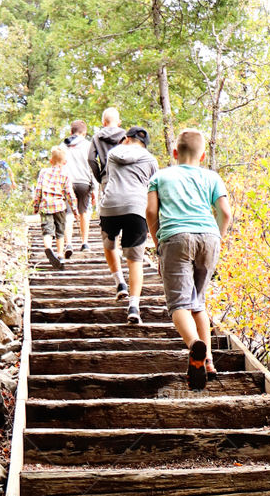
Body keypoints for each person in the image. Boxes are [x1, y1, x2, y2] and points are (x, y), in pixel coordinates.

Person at [145, 126, 232, 390]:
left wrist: (158, 242)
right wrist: (217, 237)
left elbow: (150, 212)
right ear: (203, 155)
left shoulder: (160, 177)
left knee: (179, 305)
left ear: (174, 152)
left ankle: (195, 345)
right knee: (198, 302)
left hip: (176, 237)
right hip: (208, 236)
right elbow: (225, 213)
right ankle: (209, 363)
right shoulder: (212, 177)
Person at [99, 125, 158, 324]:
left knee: (109, 244)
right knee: (135, 260)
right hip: (137, 207)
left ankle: (119, 283)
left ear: (126, 138)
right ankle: (134, 306)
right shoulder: (150, 160)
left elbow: (108, 177)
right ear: (144, 144)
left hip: (110, 206)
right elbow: (153, 189)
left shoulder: (113, 153)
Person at [33, 145, 78, 269]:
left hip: (46, 206)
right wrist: (75, 210)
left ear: (50, 161)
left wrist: (36, 205)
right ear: (65, 162)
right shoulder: (65, 174)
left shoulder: (43, 172)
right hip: (59, 206)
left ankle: (48, 248)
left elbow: (38, 190)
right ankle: (60, 255)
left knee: (47, 230)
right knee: (60, 232)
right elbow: (70, 193)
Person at [62, 120, 94, 253]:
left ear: (71, 132)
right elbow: (92, 165)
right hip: (84, 182)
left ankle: (68, 244)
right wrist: (94, 188)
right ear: (84, 132)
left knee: (68, 213)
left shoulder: (63, 146)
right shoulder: (88, 145)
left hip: (68, 182)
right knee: (84, 212)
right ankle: (84, 243)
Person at [88, 107, 126, 192]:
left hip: (106, 177)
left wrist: (100, 177)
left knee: (108, 204)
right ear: (119, 122)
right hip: (124, 176)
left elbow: (91, 159)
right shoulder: (126, 136)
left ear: (104, 123)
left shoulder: (97, 137)